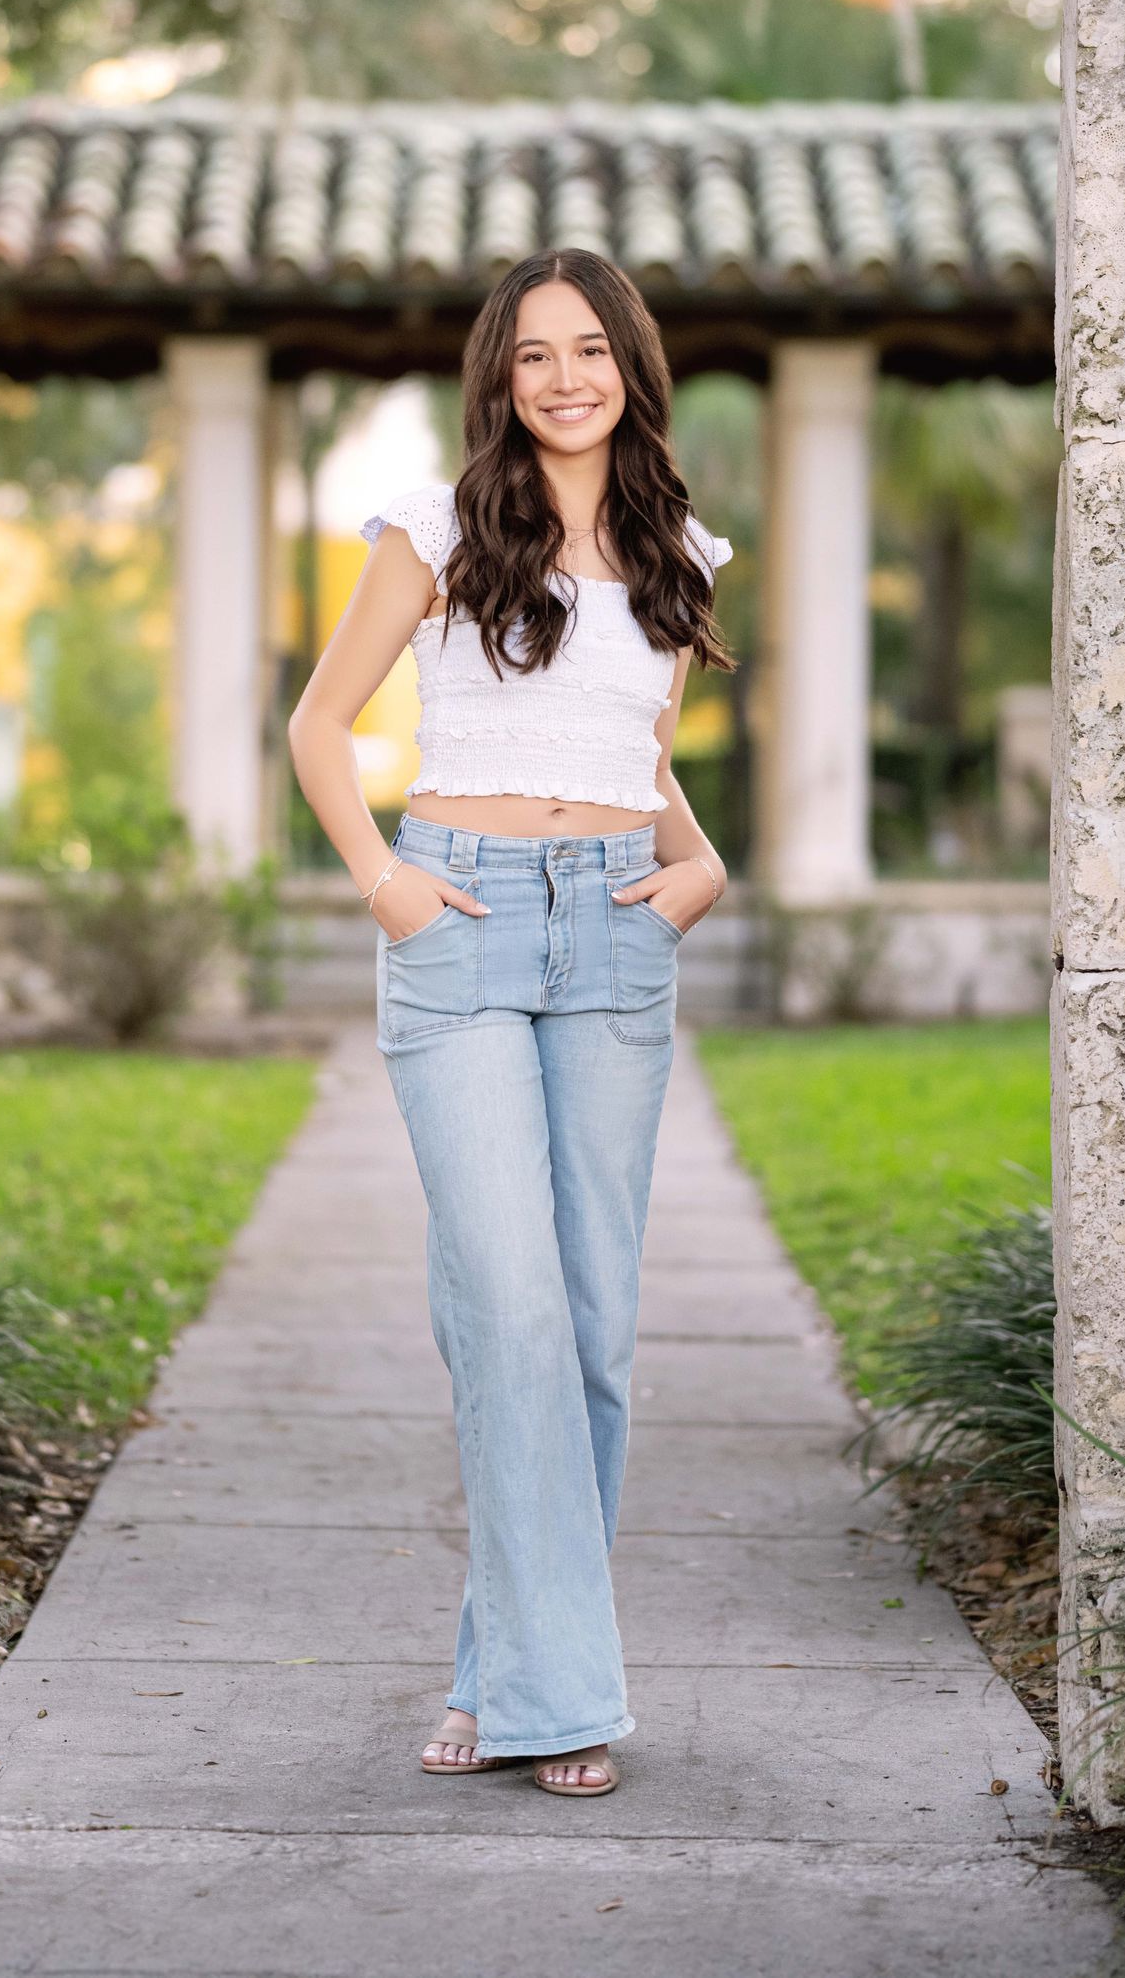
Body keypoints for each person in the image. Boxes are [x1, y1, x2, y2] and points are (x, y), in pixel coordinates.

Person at [288, 245, 733, 1801]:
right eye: (534, 354)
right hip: (461, 922)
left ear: (631, 368)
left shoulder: (680, 548)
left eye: (591, 350)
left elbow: (633, 748)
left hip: (614, 930)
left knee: (594, 1329)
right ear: (500, 372)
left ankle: (505, 1671)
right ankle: (561, 1699)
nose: (563, 378)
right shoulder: (438, 527)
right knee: (512, 1313)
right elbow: (319, 723)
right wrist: (385, 884)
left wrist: (698, 865)